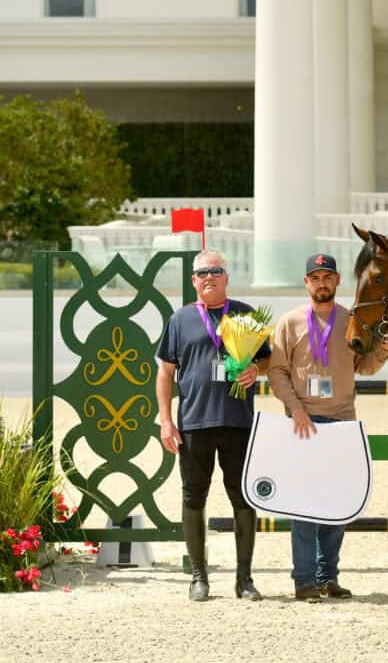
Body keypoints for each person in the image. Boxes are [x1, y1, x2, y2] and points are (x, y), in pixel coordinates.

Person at [268, 253, 388, 602]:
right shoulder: (290, 322)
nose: (322, 283)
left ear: (337, 281)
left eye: (328, 276)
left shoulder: (352, 320)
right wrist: (295, 409)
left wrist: (383, 351)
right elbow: (276, 371)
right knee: (304, 508)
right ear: (306, 282)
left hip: (341, 422)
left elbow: (364, 366)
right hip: (303, 424)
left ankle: (328, 577)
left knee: (337, 505)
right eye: (316, 277)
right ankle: (305, 581)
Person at [157, 250, 271, 602]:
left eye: (216, 271)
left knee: (243, 497)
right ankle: (198, 577)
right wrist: (165, 420)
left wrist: (256, 371)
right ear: (193, 280)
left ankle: (245, 580)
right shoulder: (180, 320)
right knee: (194, 497)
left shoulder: (245, 315)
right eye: (202, 272)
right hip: (194, 423)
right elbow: (165, 372)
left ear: (226, 277)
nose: (209, 277)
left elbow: (266, 360)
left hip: (237, 422)